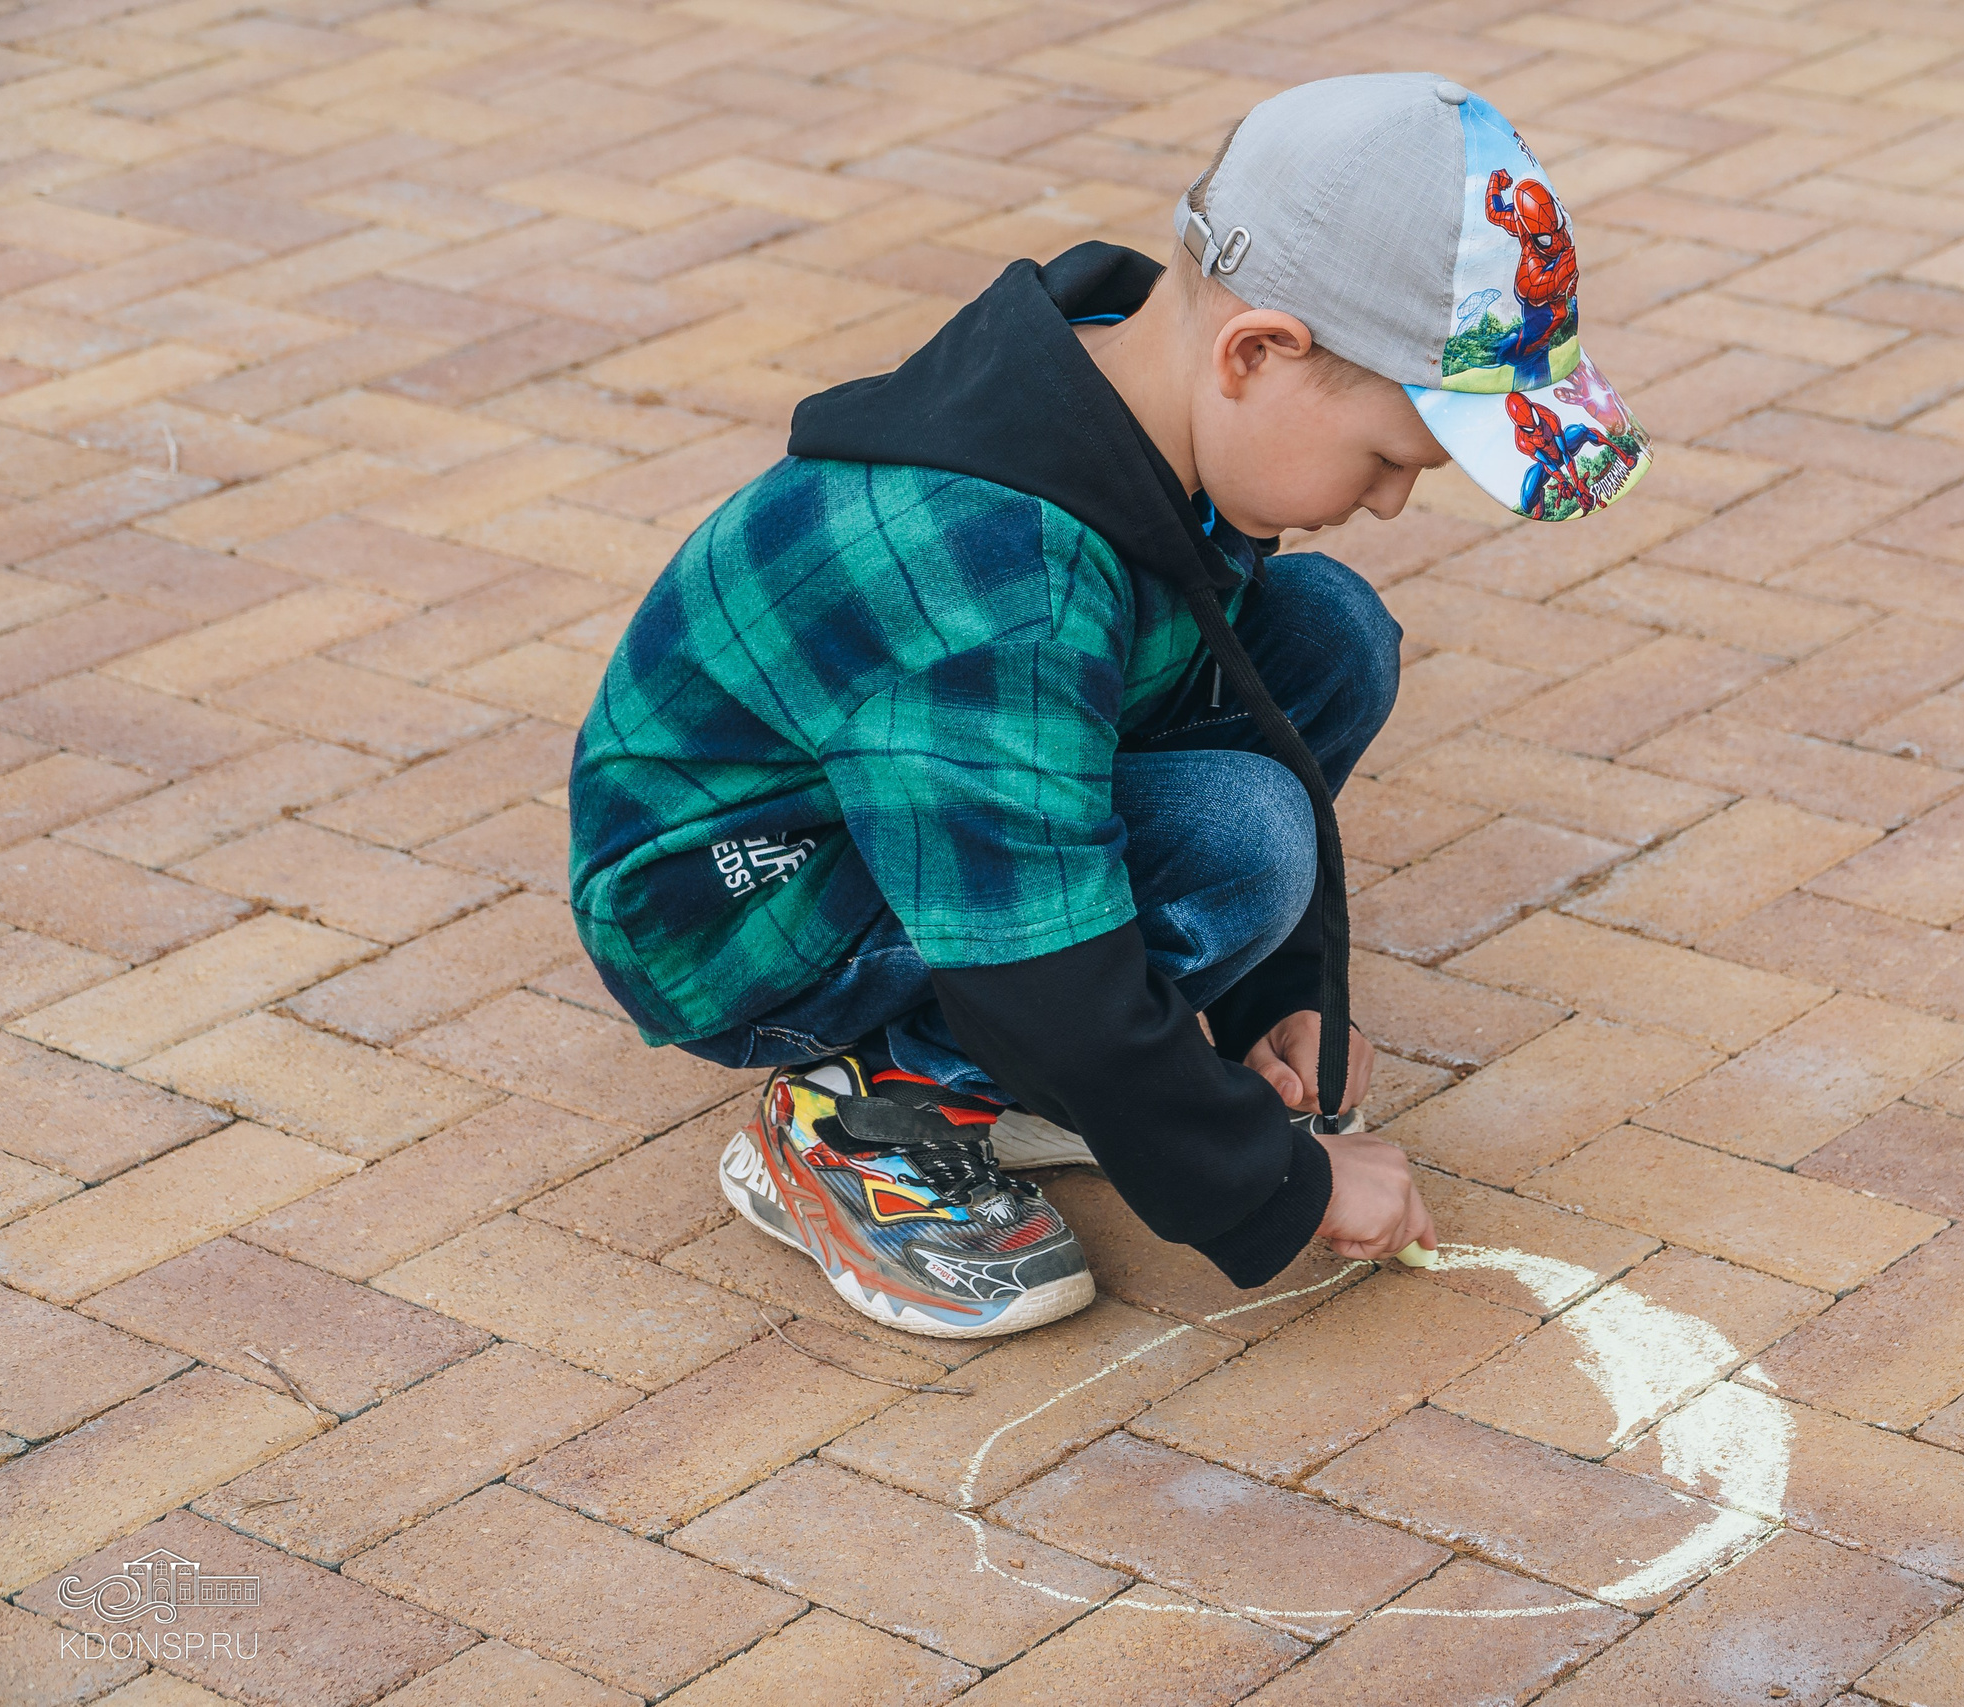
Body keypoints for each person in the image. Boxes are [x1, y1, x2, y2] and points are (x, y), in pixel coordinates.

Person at [567, 72, 1651, 1339]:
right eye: (1387, 459)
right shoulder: (992, 573)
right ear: (1256, 352)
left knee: (1328, 630)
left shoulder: (1146, 397)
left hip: (914, 803)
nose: (1391, 501)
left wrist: (1275, 1003)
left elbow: (1225, 681)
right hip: (731, 905)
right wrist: (1271, 1180)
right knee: (1244, 838)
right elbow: (1036, 949)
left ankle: (1029, 1067)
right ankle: (870, 1113)